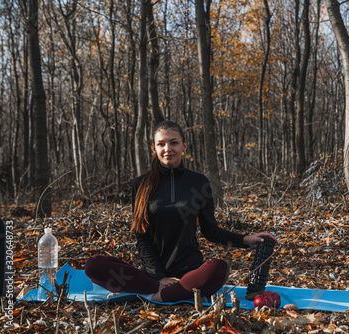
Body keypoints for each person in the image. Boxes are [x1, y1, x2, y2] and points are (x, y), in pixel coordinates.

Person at [85, 120, 277, 302]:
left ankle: (157, 294)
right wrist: (159, 278)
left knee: (219, 268)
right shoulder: (141, 184)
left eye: (174, 143)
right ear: (154, 148)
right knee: (94, 265)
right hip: (151, 274)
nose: (167, 149)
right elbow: (142, 238)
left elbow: (210, 231)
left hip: (190, 273)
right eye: (161, 144)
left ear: (184, 146)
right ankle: (163, 290)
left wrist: (244, 240)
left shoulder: (199, 182)